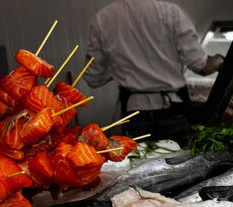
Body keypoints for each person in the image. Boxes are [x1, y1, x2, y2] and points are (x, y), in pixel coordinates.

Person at [84, 0, 224, 144]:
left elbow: (93, 77)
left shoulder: (104, 18)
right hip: (174, 111)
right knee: (183, 160)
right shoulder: (171, 13)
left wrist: (123, 70)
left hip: (135, 114)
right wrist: (220, 60)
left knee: (141, 163)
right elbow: (201, 66)